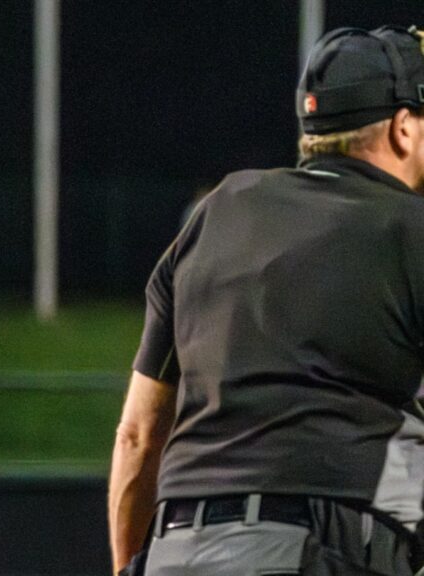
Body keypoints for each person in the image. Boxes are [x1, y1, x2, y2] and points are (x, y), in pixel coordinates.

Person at [109, 26, 424, 576]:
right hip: (319, 545)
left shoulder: (219, 211)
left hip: (175, 546)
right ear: (402, 128)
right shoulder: (411, 229)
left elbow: (138, 436)